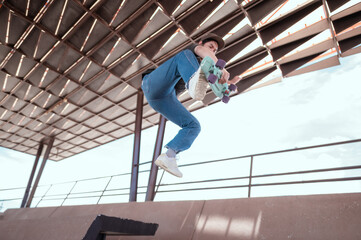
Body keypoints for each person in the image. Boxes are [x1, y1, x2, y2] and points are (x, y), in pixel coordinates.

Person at [141, 33, 241, 177]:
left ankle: (169, 157)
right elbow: (202, 51)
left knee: (194, 126)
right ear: (201, 43)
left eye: (215, 51)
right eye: (210, 47)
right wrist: (220, 68)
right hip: (152, 84)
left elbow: (217, 81)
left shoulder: (205, 69)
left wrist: (225, 84)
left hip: (163, 99)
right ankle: (192, 82)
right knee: (183, 55)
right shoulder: (193, 51)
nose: (212, 51)